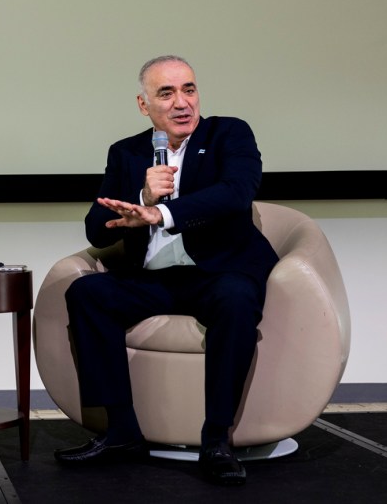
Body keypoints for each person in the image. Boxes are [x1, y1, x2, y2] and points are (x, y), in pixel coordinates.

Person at [54, 55, 278, 486]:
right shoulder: (127, 153)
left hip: (219, 273)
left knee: (235, 299)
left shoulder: (229, 133)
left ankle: (217, 441)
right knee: (87, 294)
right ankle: (121, 432)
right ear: (143, 104)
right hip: (155, 279)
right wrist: (140, 194)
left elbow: (235, 193)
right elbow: (96, 229)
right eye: (166, 92)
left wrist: (163, 213)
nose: (182, 103)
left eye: (189, 89)